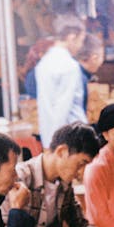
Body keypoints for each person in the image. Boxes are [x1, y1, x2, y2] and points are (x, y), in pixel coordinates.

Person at [35, 16, 87, 148]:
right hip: (72, 137)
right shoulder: (69, 66)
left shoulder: (44, 63)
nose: (81, 46)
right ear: (71, 37)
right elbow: (63, 106)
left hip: (49, 136)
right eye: (81, 40)